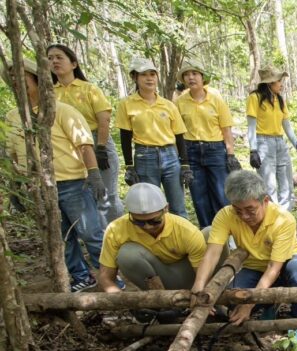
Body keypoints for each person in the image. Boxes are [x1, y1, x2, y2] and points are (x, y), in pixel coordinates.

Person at [6, 58, 106, 292]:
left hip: (72, 184)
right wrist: (16, 186)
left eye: (21, 77)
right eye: (11, 79)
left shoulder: (61, 110)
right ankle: (82, 276)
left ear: (37, 80)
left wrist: (94, 175)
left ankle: (109, 277)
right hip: (39, 188)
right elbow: (12, 154)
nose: (16, 83)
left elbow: (84, 144)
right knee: (60, 239)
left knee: (90, 233)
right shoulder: (13, 117)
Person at [192, 170, 297, 333]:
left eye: (250, 209)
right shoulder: (225, 215)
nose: (244, 216)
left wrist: (249, 305)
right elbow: (212, 253)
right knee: (233, 301)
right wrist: (199, 288)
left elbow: (273, 268)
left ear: (265, 201)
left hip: (285, 265)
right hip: (254, 268)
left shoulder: (283, 219)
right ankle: (269, 304)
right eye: (238, 210)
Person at [48, 44, 124, 225]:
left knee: (106, 194)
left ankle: (119, 236)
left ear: (73, 63)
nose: (54, 61)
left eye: (59, 57)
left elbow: (103, 120)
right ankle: (100, 239)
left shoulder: (89, 89)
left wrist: (101, 148)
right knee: (88, 195)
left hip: (97, 141)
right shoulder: (50, 93)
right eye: (50, 58)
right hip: (68, 149)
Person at [116, 57, 192, 219]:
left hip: (170, 156)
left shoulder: (168, 105)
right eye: (144, 75)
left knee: (178, 206)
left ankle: (183, 241)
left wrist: (184, 164)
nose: (149, 78)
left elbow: (179, 136)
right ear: (135, 77)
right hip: (145, 156)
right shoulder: (127, 104)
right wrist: (129, 166)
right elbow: (125, 137)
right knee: (151, 205)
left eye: (152, 74)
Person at [98, 182, 206, 294]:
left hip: (191, 278)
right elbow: (105, 277)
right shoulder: (116, 230)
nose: (147, 227)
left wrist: (202, 295)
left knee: (209, 234)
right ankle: (160, 302)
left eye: (154, 221)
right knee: (127, 255)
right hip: (160, 281)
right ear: (130, 214)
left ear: (166, 209)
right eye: (139, 222)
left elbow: (203, 274)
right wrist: (122, 299)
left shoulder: (185, 230)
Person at [175, 61, 240, 229]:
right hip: (191, 151)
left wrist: (230, 154)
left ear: (202, 77)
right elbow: (177, 133)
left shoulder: (216, 100)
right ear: (183, 80)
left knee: (221, 193)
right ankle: (207, 232)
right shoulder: (180, 102)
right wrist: (182, 161)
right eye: (187, 75)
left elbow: (226, 129)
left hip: (215, 149)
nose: (191, 77)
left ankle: (228, 232)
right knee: (199, 196)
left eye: (194, 73)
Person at [247, 66, 297, 211]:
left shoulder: (279, 99)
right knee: (269, 185)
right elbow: (251, 126)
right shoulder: (255, 98)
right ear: (270, 83)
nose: (281, 84)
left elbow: (286, 125)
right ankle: (271, 218)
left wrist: (296, 144)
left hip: (280, 143)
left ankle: (285, 217)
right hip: (263, 143)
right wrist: (253, 150)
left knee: (286, 182)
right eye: (279, 81)